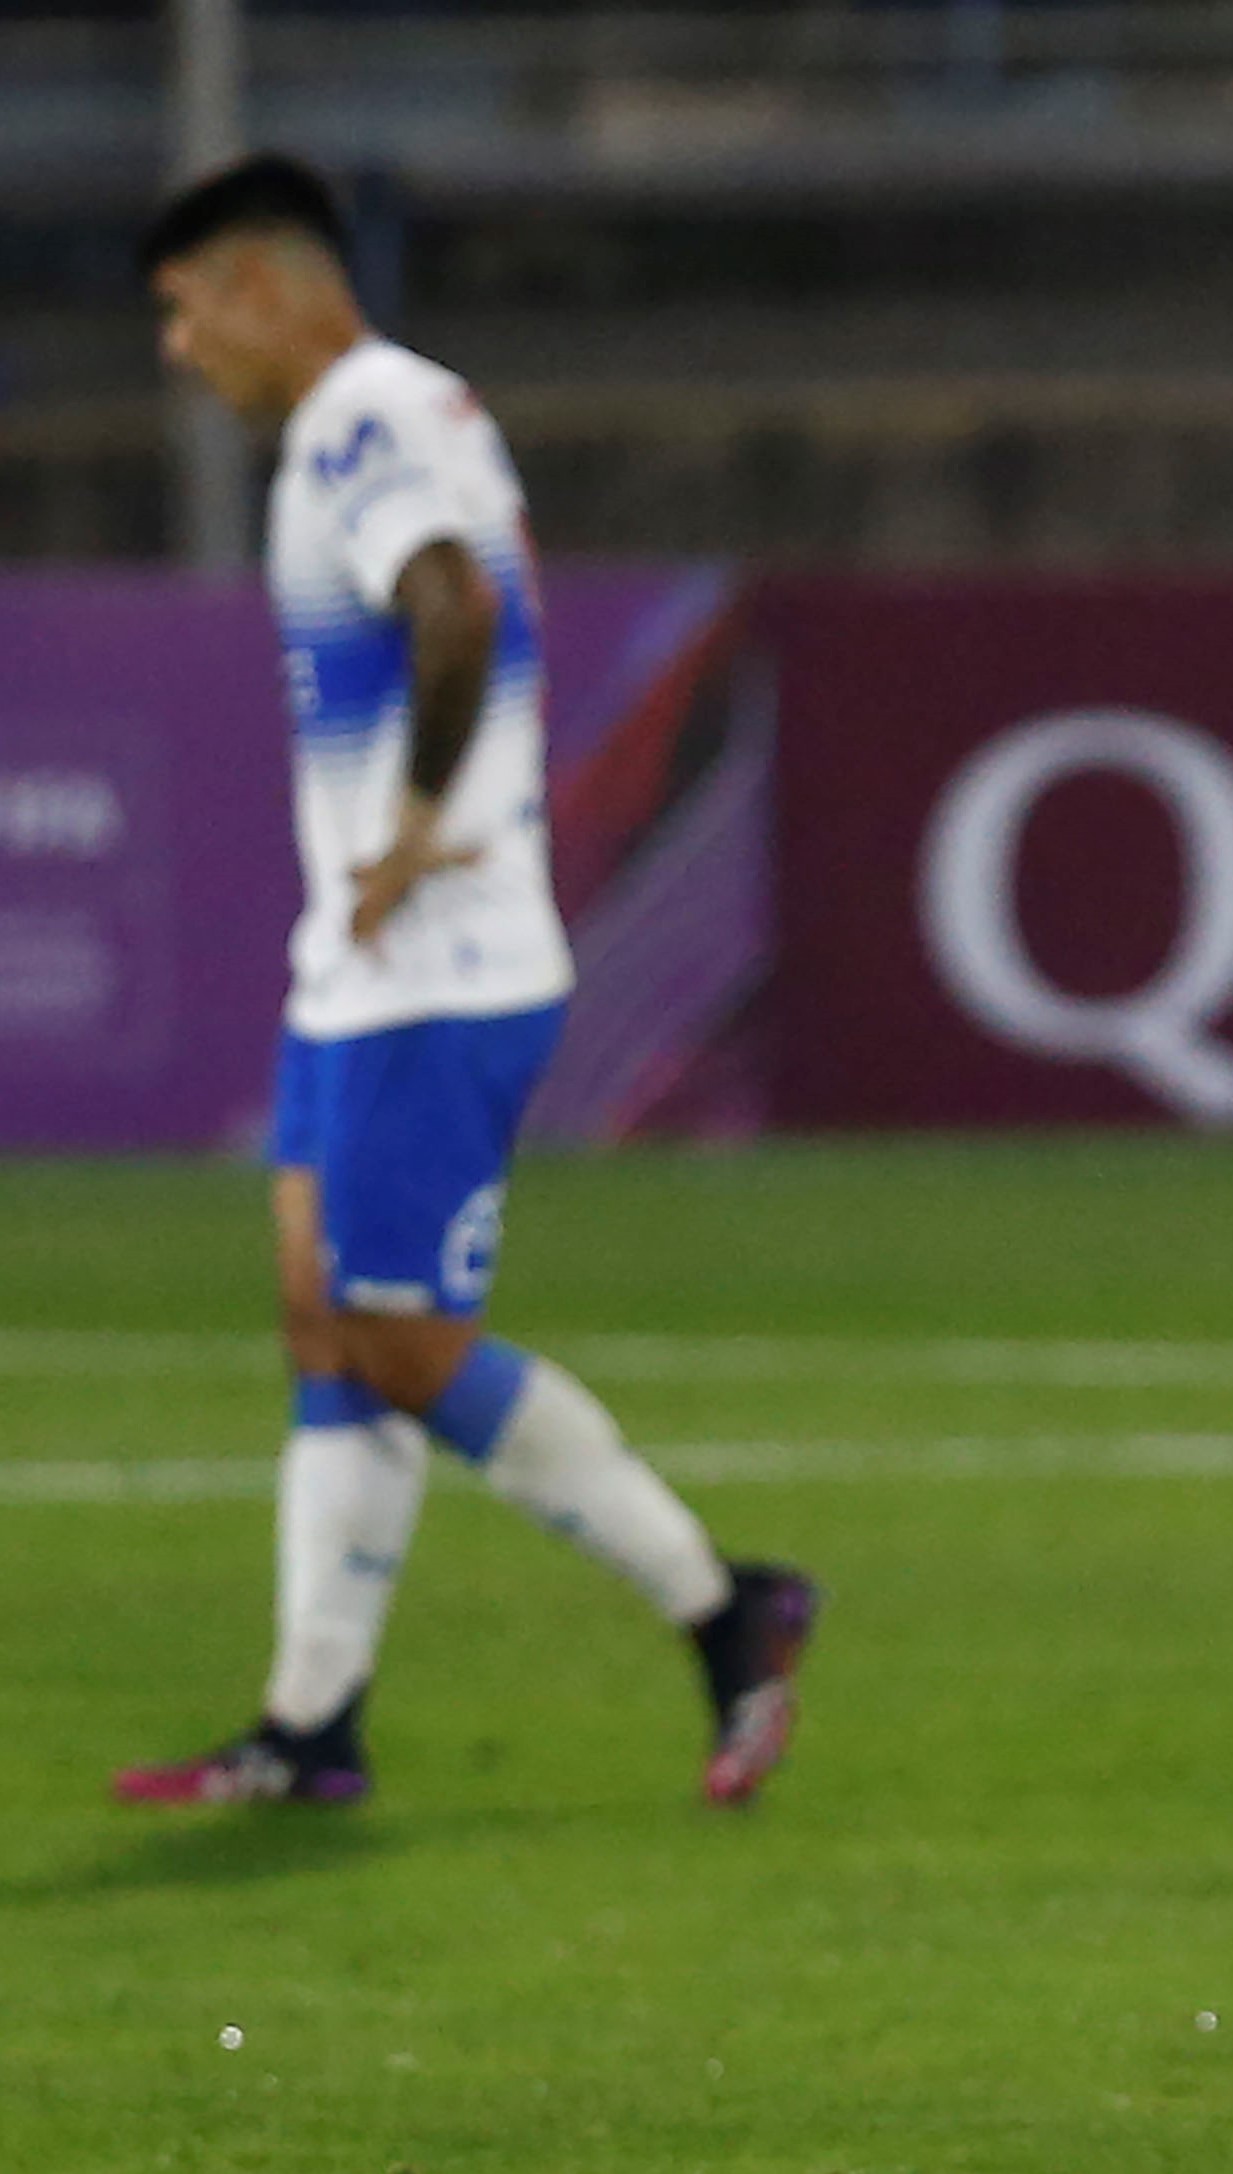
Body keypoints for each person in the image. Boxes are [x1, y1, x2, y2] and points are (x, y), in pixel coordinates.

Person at [117, 153, 816, 1809]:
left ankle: (724, 1607)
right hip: (359, 969)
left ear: (269, 283)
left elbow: (447, 607)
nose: (176, 344)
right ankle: (310, 1724)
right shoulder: (352, 431)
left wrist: (420, 823)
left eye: (186, 303)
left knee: (396, 1332)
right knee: (327, 1320)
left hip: (442, 962)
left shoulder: (374, 416)